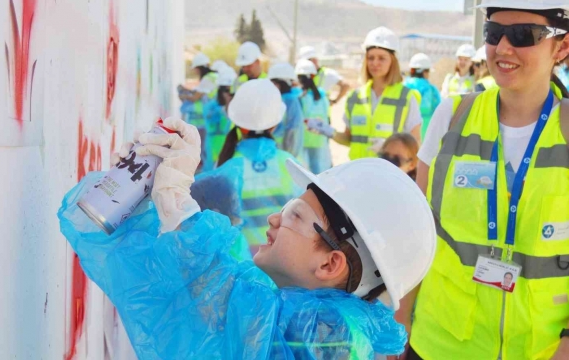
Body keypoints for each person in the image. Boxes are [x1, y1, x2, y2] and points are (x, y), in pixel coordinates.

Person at [59, 115, 437, 358]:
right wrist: (137, 202)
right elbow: (177, 293)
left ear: (330, 262)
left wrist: (176, 201)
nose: (274, 218)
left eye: (294, 215)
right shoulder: (294, 310)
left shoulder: (331, 340)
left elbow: (232, 302)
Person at [396, 2, 569, 359]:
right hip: (438, 345)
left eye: (523, 35)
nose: (503, 48)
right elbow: (417, 233)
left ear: (562, 47)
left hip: (540, 350)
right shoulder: (451, 117)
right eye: (493, 33)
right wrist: (400, 326)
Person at [211, 79, 302, 255]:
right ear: (275, 124)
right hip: (282, 266)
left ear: (238, 122)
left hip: (239, 269)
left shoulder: (225, 166)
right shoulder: (290, 164)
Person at [312, 27, 422, 161]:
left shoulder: (406, 97)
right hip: (357, 172)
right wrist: (328, 131)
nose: (375, 63)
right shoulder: (355, 97)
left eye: (382, 58)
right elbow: (349, 139)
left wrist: (390, 148)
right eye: (371, 58)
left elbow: (415, 143)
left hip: (389, 174)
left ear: (392, 61)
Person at [178, 52, 219, 170]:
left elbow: (196, 96)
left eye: (196, 69)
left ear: (200, 68)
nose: (195, 72)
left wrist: (183, 95)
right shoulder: (215, 76)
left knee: (203, 146)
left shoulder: (207, 79)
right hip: (215, 116)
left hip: (206, 116)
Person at [296, 59, 333, 174]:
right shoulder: (322, 94)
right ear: (313, 75)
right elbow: (328, 116)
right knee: (317, 170)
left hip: (301, 139)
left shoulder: (297, 95)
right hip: (318, 138)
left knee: (302, 170)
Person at [202, 66, 237, 169]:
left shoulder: (236, 107)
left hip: (229, 144)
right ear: (220, 90)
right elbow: (211, 119)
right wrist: (226, 106)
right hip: (214, 146)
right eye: (227, 90)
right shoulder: (211, 106)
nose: (230, 94)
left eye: (232, 91)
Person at [268, 62, 305, 158]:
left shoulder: (290, 101)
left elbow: (293, 131)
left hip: (283, 156)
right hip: (276, 154)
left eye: (274, 82)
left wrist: (289, 158)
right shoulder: (278, 99)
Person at [404, 53, 442, 139]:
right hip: (425, 133)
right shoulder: (432, 90)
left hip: (404, 134)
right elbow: (439, 111)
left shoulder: (402, 87)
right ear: (424, 72)